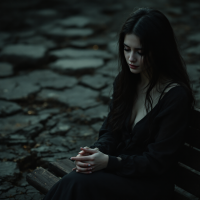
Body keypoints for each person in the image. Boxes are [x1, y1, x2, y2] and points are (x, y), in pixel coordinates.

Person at [43, 7, 196, 200]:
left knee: (77, 183)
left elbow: (157, 162)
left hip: (149, 185)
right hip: (120, 171)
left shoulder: (175, 96)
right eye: (127, 49)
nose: (131, 58)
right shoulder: (126, 81)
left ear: (159, 50)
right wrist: (95, 152)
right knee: (76, 178)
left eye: (140, 52)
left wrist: (109, 162)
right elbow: (110, 131)